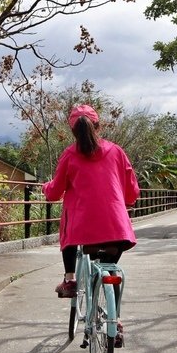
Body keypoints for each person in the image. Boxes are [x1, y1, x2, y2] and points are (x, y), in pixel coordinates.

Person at [42, 104, 140, 302]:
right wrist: (127, 201)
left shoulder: (69, 155)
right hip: (117, 230)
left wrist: (46, 187)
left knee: (68, 228)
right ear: (98, 125)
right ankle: (115, 320)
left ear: (72, 131)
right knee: (109, 274)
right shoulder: (116, 151)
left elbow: (54, 193)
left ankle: (70, 280)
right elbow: (132, 188)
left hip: (82, 231)